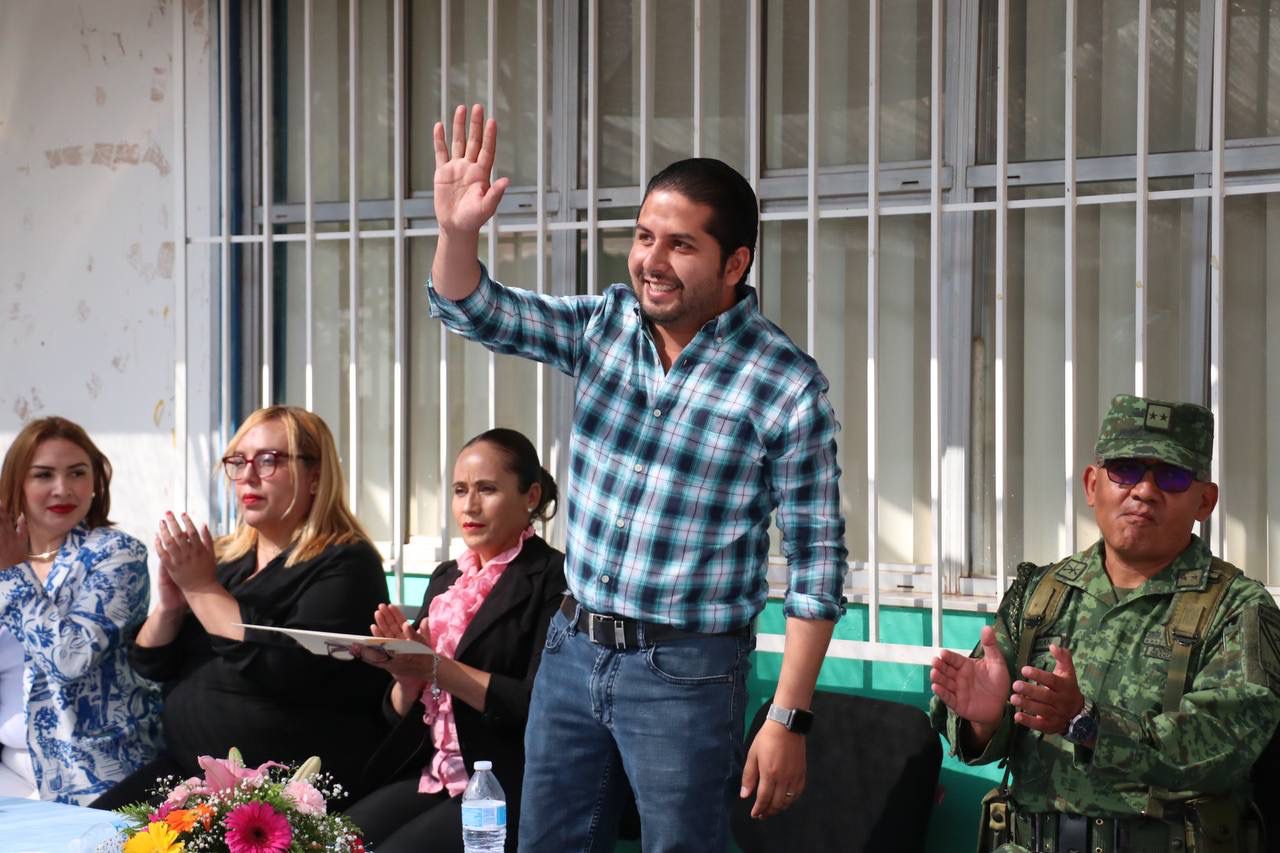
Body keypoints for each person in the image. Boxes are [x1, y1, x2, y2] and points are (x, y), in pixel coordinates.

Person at [428, 104, 848, 853]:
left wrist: (787, 718)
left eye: (681, 244)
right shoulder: (605, 326)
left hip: (687, 670)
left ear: (735, 263)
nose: (652, 260)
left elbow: (818, 564)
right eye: (645, 237)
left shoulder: (784, 383)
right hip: (571, 648)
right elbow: (475, 310)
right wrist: (459, 233)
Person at [930, 394, 1280, 852]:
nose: (1145, 491)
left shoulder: (1238, 607)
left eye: (1172, 476)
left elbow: (1225, 746)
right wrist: (986, 718)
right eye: (1126, 470)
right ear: (1092, 485)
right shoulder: (1040, 593)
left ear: (1205, 501)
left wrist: (1088, 723)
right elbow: (975, 733)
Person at [91, 405, 391, 809]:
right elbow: (151, 664)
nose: (248, 475)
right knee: (88, 834)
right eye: (238, 461)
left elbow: (282, 670)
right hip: (192, 772)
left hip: (284, 793)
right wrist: (172, 606)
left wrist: (201, 589)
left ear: (316, 476)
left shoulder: (347, 563)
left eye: (269, 460)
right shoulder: (227, 561)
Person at [344, 428, 566, 853]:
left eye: (487, 489)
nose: (470, 505)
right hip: (435, 771)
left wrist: (433, 667)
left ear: (531, 496)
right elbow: (399, 716)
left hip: (505, 783)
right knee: (330, 840)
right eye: (460, 490)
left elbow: (536, 708)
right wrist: (404, 673)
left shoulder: (555, 580)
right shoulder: (447, 577)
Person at [0, 416, 161, 805]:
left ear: (95, 483)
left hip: (91, 777)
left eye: (77, 473)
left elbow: (69, 658)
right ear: (16, 482)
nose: (62, 489)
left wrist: (13, 572)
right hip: (9, 772)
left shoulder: (115, 555)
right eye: (43, 475)